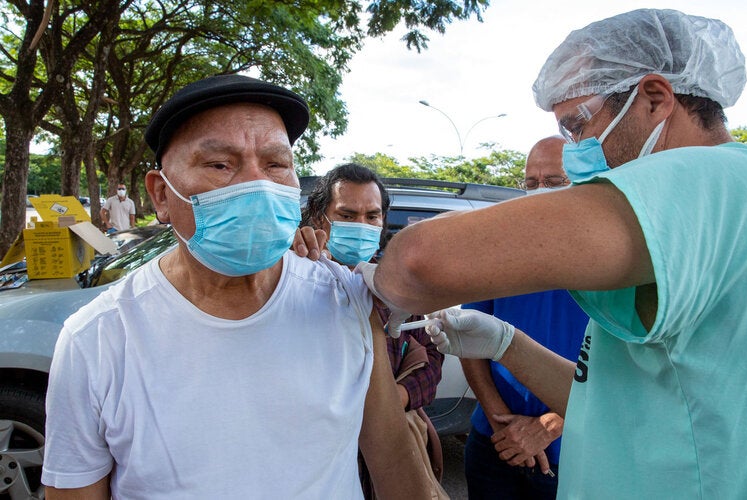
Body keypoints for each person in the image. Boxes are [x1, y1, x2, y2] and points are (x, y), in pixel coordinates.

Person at [359, 9, 747, 498]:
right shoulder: (733, 194)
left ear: (656, 99)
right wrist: (504, 343)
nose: (575, 148)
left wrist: (378, 280)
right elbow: (610, 401)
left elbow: (420, 260)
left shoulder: (700, 178)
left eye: (578, 125)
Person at [42, 74, 432, 499]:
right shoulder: (97, 339)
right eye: (220, 165)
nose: (256, 184)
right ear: (160, 195)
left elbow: (392, 458)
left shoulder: (345, 300)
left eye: (276, 165)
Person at [301, 163, 447, 498]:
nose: (361, 226)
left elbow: (433, 360)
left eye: (372, 216)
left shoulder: (395, 288)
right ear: (319, 217)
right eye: (347, 215)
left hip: (383, 463)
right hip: (319, 463)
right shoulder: (295, 279)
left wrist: (395, 398)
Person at [461, 136, 588, 499]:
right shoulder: (499, 251)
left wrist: (548, 427)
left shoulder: (611, 259)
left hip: (572, 451)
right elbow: (471, 341)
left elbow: (628, 366)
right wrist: (502, 423)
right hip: (493, 442)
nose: (540, 191)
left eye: (554, 181)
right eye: (531, 184)